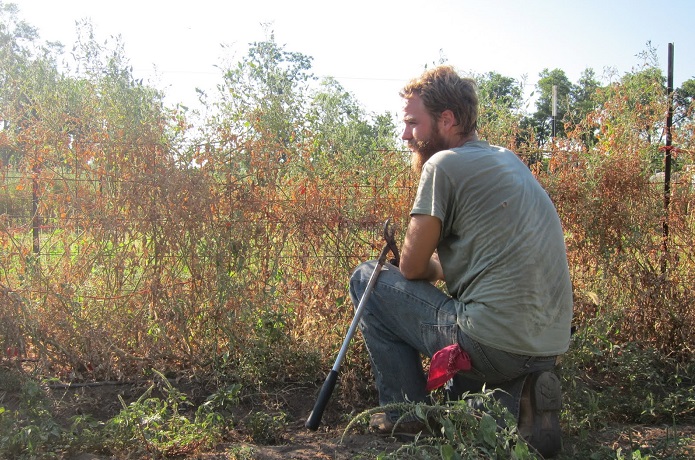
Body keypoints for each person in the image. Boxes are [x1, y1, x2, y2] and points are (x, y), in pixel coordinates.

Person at [349, 65, 573, 457]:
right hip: (548, 345)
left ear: (447, 119)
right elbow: (489, 259)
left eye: (412, 123)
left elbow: (412, 269)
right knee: (472, 391)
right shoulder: (507, 159)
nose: (405, 135)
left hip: (490, 340)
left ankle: (405, 414)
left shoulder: (442, 165)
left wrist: (425, 266)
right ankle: (517, 399)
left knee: (368, 278)